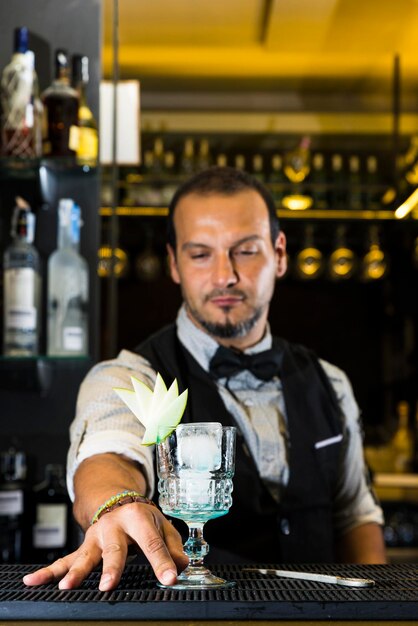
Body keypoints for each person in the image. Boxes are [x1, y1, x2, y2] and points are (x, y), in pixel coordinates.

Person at [24, 166, 386, 592]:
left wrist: (379, 605)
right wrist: (117, 503)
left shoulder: (331, 383)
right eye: (200, 254)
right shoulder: (130, 376)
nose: (224, 276)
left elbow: (355, 518)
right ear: (174, 263)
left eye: (246, 251)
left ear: (280, 254)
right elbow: (108, 455)